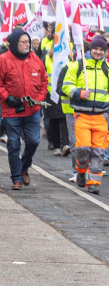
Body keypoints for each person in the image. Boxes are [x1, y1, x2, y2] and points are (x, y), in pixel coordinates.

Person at [61, 35, 109, 194]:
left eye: (101, 49)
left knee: (99, 151)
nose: (98, 52)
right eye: (95, 48)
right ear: (90, 49)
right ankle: (81, 171)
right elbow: (66, 85)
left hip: (102, 117)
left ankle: (94, 183)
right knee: (82, 149)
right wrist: (78, 93)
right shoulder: (77, 66)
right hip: (82, 116)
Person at [0, 28, 48, 190]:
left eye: (28, 42)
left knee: (34, 141)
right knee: (13, 143)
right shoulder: (3, 60)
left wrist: (39, 99)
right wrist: (6, 97)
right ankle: (16, 178)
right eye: (24, 42)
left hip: (32, 109)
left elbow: (44, 82)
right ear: (14, 43)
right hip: (11, 111)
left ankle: (24, 167)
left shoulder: (36, 60)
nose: (28, 44)